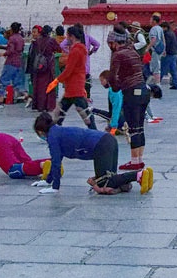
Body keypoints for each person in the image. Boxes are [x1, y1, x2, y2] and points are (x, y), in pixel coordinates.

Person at [31, 113, 153, 195]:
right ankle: (131, 180)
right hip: (109, 140)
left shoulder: (53, 137)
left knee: (103, 181)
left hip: (101, 146)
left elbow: (56, 162)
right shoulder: (58, 131)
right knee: (110, 176)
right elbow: (57, 160)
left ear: (40, 131)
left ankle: (138, 175)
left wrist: (54, 187)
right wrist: (48, 180)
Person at [107, 25, 150, 170]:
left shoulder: (118, 55)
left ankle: (134, 161)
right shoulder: (132, 50)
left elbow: (112, 76)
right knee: (139, 127)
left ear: (114, 43)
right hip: (143, 91)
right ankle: (139, 160)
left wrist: (115, 87)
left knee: (132, 128)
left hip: (131, 92)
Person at [48, 26, 95, 128]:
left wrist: (56, 81)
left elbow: (69, 70)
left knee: (84, 114)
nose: (66, 38)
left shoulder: (75, 51)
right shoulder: (80, 49)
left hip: (74, 88)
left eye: (67, 36)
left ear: (71, 37)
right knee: (61, 112)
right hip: (74, 87)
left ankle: (95, 134)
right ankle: (54, 131)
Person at [0, 22, 26, 105]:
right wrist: (3, 47)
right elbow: (18, 49)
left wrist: (4, 54)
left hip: (10, 62)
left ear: (12, 29)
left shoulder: (12, 38)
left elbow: (11, 50)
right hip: (18, 62)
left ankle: (0, 101)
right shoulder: (21, 38)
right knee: (18, 83)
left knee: (3, 81)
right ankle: (27, 96)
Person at [147, 13, 165, 93]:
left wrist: (147, 48)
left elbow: (153, 40)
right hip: (160, 49)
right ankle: (157, 82)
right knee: (157, 65)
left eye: (151, 19)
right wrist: (164, 49)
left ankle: (157, 84)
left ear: (154, 21)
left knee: (155, 67)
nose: (149, 21)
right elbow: (163, 39)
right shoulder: (160, 28)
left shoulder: (153, 29)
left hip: (155, 50)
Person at [161, 19, 177, 90]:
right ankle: (175, 84)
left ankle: (157, 83)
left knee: (163, 68)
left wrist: (164, 51)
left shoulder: (167, 34)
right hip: (174, 53)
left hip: (168, 53)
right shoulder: (172, 33)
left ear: (165, 27)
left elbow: (167, 44)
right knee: (173, 70)